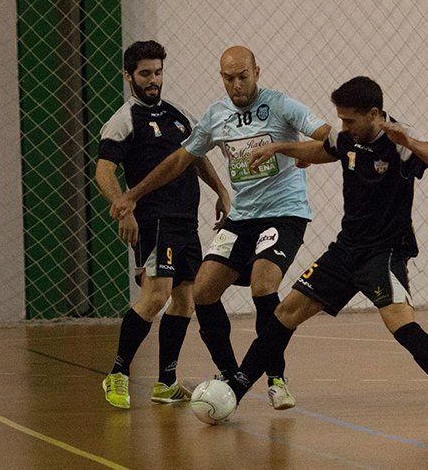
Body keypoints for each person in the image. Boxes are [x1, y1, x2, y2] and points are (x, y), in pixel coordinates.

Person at [224, 76, 428, 427]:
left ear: (375, 114)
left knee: (401, 324)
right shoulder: (347, 137)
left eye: (349, 119)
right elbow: (323, 150)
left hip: (383, 252)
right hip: (346, 249)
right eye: (341, 118)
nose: (342, 125)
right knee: (286, 311)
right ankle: (234, 390)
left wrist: (409, 139)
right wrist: (279, 149)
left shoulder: (398, 144)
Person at [111, 46, 331, 410]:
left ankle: (276, 378)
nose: (236, 85)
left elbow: (328, 139)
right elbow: (181, 159)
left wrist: (292, 149)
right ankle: (230, 375)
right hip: (242, 217)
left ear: (257, 72)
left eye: (243, 76)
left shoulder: (281, 106)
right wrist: (132, 194)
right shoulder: (216, 115)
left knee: (263, 284)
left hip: (284, 213)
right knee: (202, 292)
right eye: (228, 78)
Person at [96, 40, 229, 409]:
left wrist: (220, 190)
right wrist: (124, 208)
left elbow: (195, 156)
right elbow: (103, 170)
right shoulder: (124, 120)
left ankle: (165, 382)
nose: (153, 80)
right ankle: (118, 373)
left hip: (186, 220)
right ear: (128, 77)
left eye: (157, 72)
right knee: (157, 294)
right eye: (145, 74)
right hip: (154, 221)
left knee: (185, 299)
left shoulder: (179, 114)